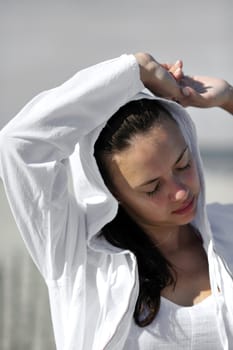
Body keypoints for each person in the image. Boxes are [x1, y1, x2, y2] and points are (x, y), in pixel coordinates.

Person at [0, 52, 232, 350]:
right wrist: (136, 68)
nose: (180, 192)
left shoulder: (228, 228)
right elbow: (20, 144)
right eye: (152, 188)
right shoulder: (80, 261)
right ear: (113, 194)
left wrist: (228, 98)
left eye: (183, 165)